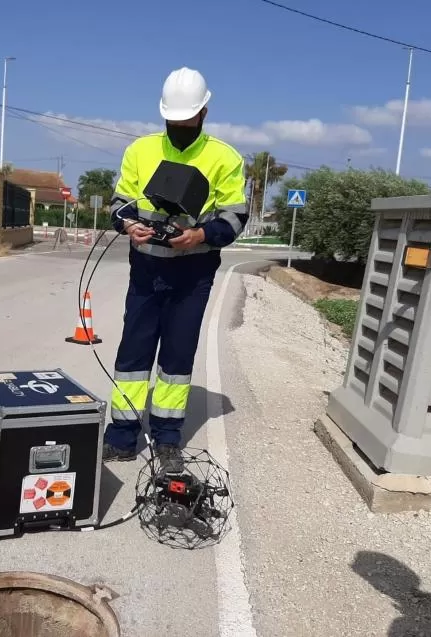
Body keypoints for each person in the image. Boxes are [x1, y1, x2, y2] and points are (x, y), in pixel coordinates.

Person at [102, 67, 248, 475]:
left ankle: (167, 439)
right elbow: (120, 201)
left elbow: (236, 216)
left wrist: (201, 234)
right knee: (133, 354)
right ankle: (122, 436)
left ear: (203, 112)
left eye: (186, 120)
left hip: (193, 273)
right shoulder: (140, 150)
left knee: (177, 358)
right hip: (146, 269)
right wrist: (129, 224)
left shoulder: (224, 157)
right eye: (172, 121)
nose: (179, 127)